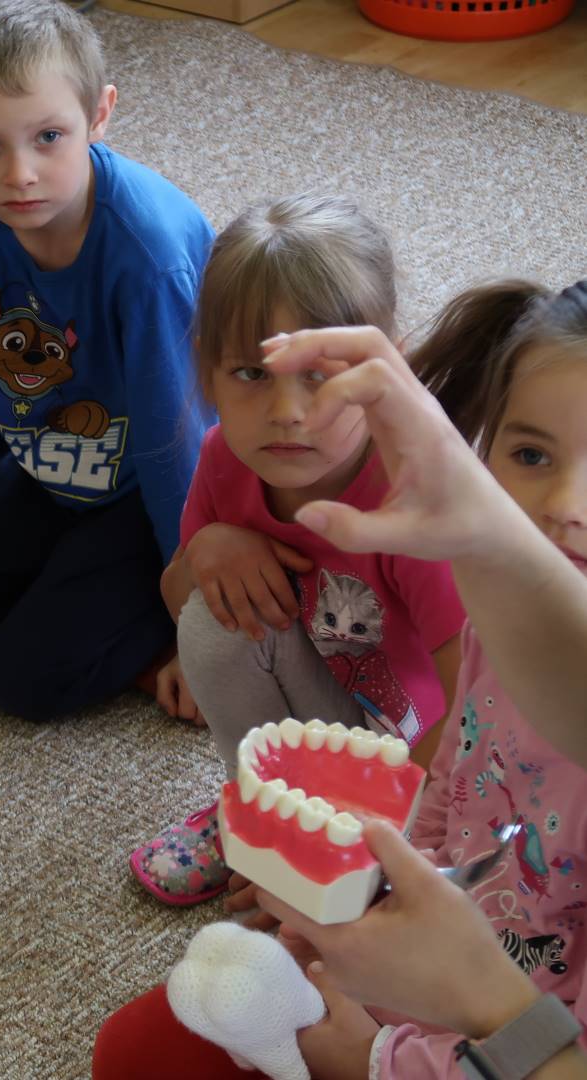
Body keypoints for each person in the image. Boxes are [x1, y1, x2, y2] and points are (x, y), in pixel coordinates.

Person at [94, 280, 587, 1078]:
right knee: (139, 1046)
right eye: (529, 455)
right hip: (447, 963)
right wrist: (365, 900)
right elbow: (450, 788)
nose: (566, 505)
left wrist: (376, 1057)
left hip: (510, 1031)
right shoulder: (502, 618)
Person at [0, 0, 214, 722]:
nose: (19, 174)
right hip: (47, 466)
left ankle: (126, 617)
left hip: (157, 490)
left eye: (48, 137)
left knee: (21, 680)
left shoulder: (144, 255)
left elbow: (174, 437)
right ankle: (68, 575)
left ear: (99, 114)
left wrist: (197, 616)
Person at [128, 193, 464, 906]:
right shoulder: (224, 458)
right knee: (213, 621)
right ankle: (259, 808)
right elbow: (179, 604)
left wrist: (392, 844)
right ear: (207, 370)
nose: (286, 413)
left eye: (320, 374)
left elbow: (473, 704)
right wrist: (207, 548)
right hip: (326, 721)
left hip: (425, 753)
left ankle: (334, 835)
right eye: (251, 374)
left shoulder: (413, 497)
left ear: (384, 373)